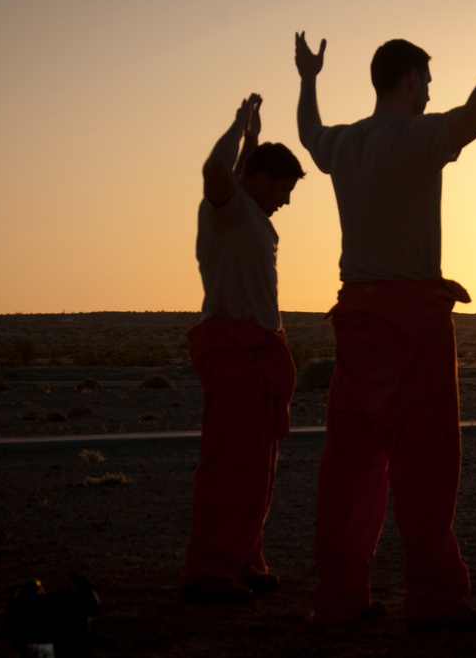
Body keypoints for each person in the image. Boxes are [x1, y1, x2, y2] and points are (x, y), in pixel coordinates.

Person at [294, 0, 476, 631]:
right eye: (427, 81)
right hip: (412, 323)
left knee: (348, 470)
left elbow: (309, 131)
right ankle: (436, 601)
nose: (431, 92)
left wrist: (307, 78)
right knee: (426, 469)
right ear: (408, 80)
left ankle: (339, 600)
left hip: (356, 321)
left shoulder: (344, 145)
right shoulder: (419, 138)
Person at [178, 94, 305, 604]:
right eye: (285, 187)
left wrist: (253, 140)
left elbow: (240, 173)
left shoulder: (249, 214)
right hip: (234, 355)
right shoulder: (224, 213)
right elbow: (216, 168)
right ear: (257, 179)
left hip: (260, 359)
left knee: (257, 472)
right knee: (229, 467)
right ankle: (209, 572)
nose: (288, 200)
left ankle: (244, 559)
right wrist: (237, 123)